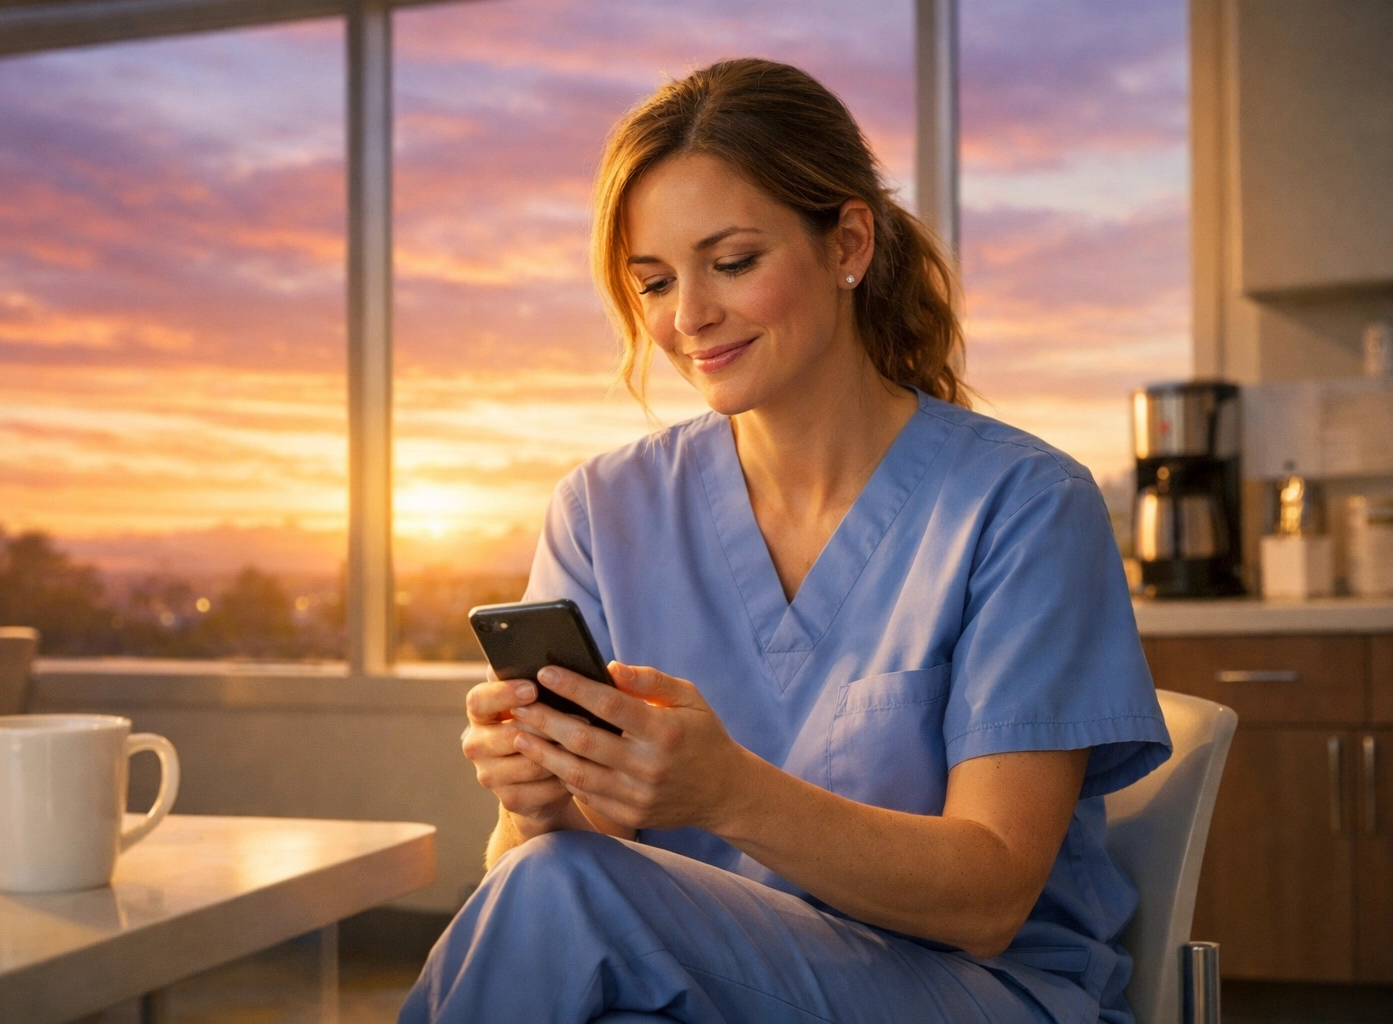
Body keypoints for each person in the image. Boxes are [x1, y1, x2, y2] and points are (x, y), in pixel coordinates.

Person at [400, 58, 1170, 1024]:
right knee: (557, 883)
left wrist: (727, 793)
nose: (688, 319)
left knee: (570, 892)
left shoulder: (1022, 506)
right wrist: (532, 805)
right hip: (697, 995)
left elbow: (990, 898)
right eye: (653, 281)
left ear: (848, 242)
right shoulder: (602, 511)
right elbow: (529, 880)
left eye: (731, 263)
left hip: (974, 993)